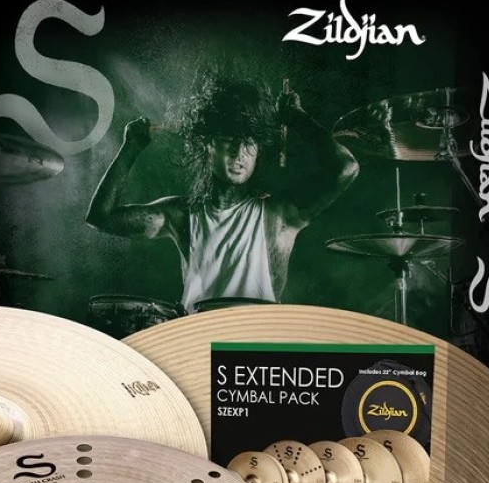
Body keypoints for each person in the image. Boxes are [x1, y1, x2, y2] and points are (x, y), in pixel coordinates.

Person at [86, 76, 358, 310]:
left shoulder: (279, 215)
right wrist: (130, 148)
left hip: (254, 351)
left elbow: (346, 168)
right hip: (196, 346)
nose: (240, 153)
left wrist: (299, 119)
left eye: (249, 142)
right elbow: (101, 216)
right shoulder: (181, 215)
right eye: (229, 140)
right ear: (208, 145)